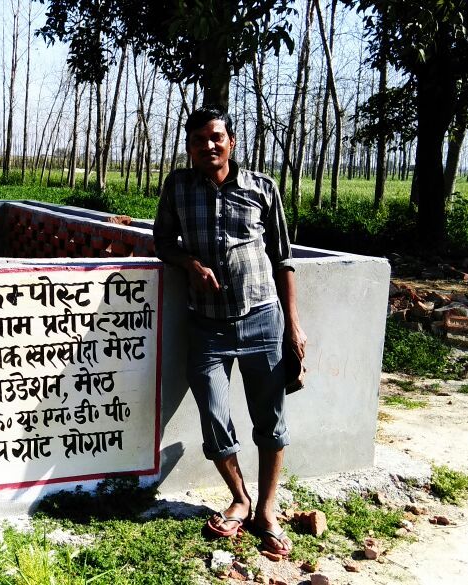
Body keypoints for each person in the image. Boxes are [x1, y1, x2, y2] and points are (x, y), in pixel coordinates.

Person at [152, 107, 306, 557]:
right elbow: (162, 241)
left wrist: (293, 327)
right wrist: (189, 264)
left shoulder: (263, 188)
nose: (208, 145)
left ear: (232, 142)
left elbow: (283, 258)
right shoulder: (177, 188)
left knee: (271, 421)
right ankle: (239, 497)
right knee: (215, 418)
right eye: (198, 140)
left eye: (216, 137)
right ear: (190, 148)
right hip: (207, 326)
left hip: (262, 320)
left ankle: (267, 511)